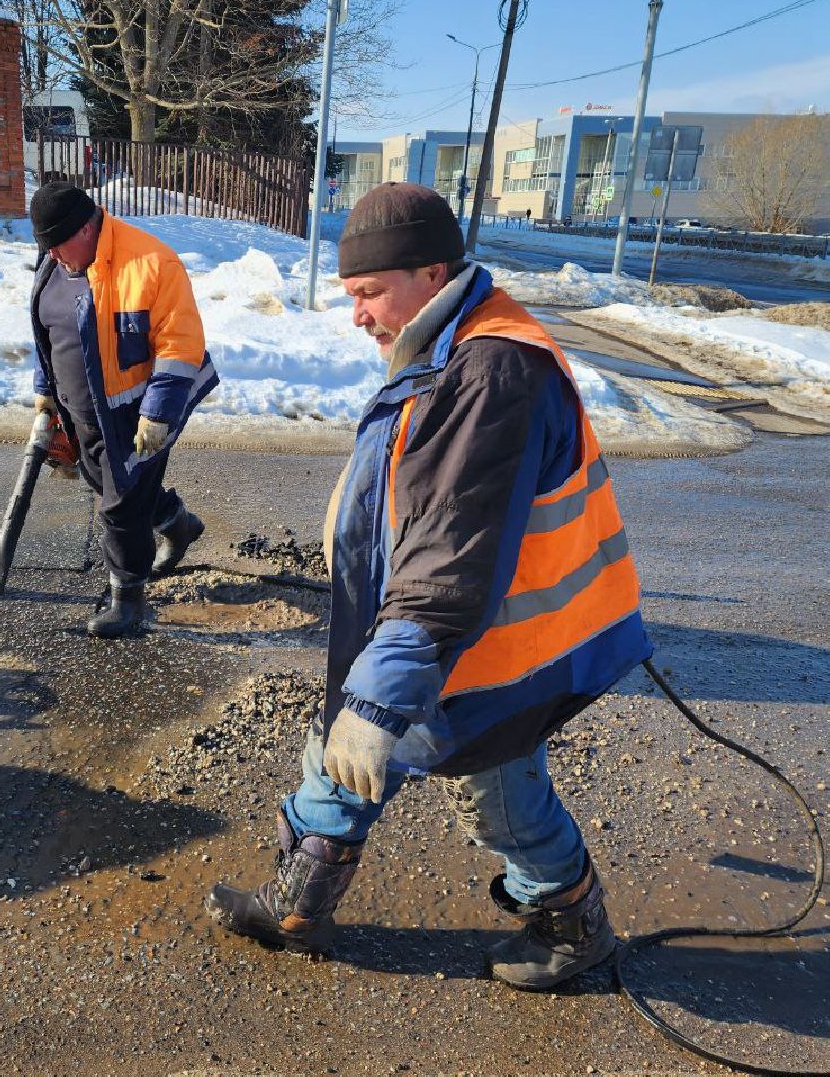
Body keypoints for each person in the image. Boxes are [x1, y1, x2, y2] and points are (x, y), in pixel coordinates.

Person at [205, 183, 651, 990]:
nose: (358, 314)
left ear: (432, 271)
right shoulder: (451, 343)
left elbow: (448, 563)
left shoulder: (490, 371)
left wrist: (374, 702)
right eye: (352, 295)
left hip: (494, 647)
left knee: (483, 788)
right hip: (465, 639)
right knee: (408, 763)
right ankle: (301, 904)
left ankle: (573, 926)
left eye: (370, 292)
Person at [29, 182, 217, 637]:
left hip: (137, 415)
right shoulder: (55, 263)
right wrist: (45, 394)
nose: (52, 255)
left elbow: (180, 343)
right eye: (45, 246)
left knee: (119, 506)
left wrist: (158, 414)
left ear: (88, 226)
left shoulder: (151, 263)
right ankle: (176, 522)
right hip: (81, 413)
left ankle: (128, 599)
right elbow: (47, 333)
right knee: (112, 485)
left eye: (58, 244)